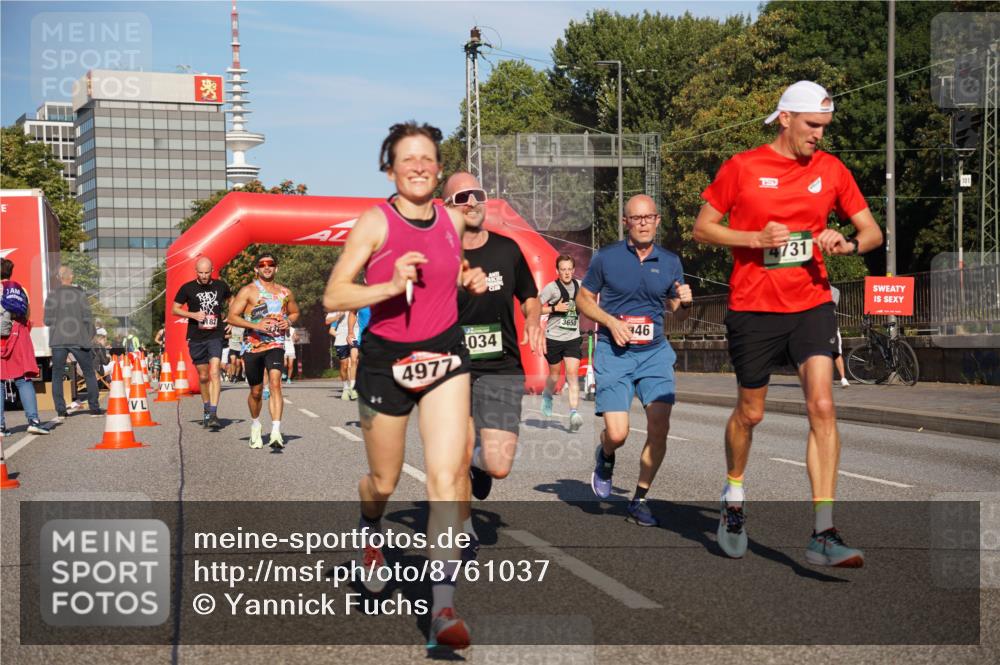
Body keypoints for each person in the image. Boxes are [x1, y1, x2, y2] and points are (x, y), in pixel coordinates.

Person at [693, 80, 883, 566]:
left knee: (822, 404)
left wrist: (847, 243)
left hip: (811, 302)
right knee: (751, 413)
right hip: (754, 306)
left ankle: (823, 531)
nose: (819, 135)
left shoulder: (831, 170)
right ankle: (733, 496)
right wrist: (756, 238)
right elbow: (703, 227)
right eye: (812, 125)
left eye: (824, 127)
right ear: (785, 119)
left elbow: (872, 232)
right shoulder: (743, 167)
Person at [322, 122, 486, 651]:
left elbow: (451, 264)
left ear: (439, 168)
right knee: (385, 482)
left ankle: (442, 607)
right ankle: (370, 527)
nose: (418, 166)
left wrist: (467, 278)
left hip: (444, 354)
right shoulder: (375, 222)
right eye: (407, 158)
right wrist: (390, 285)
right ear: (389, 167)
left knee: (445, 475)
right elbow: (333, 295)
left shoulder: (451, 220)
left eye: (427, 158)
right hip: (385, 361)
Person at [576, 194, 693, 527]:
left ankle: (640, 499)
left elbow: (676, 317)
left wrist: (684, 304)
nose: (643, 223)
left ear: (657, 221)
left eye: (649, 217)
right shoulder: (607, 258)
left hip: (654, 353)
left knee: (659, 428)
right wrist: (611, 322)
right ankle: (606, 455)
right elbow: (583, 299)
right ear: (625, 222)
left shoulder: (670, 261)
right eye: (636, 218)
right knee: (618, 433)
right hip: (614, 352)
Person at [445, 171, 544, 504]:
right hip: (452, 368)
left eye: (477, 194)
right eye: (462, 197)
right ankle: (461, 537)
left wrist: (532, 318)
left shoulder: (508, 250)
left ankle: (478, 465)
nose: (472, 202)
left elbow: (530, 295)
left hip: (501, 368)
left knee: (499, 466)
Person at [227, 252, 300, 449]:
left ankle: (276, 431)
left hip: (276, 344)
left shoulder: (285, 292)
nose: (266, 267)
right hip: (252, 346)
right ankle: (256, 425)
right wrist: (256, 325)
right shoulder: (249, 291)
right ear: (256, 269)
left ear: (276, 268)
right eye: (262, 264)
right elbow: (232, 317)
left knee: (275, 383)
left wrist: (288, 321)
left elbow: (294, 312)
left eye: (271, 264)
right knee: (256, 391)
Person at [172, 257, 231, 430]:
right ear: (196, 271)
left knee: (214, 372)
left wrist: (231, 318)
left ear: (212, 270)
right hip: (196, 336)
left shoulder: (221, 286)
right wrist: (193, 315)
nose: (204, 276)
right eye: (201, 273)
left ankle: (213, 412)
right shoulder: (187, 288)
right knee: (204, 376)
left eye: (207, 272)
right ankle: (206, 407)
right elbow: (174, 309)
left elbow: (232, 299)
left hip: (215, 334)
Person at [0, 258, 51, 436]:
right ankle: (34, 421)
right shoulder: (19, 289)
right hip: (18, 335)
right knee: (23, 379)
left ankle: (0, 427)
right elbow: (27, 313)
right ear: (9, 272)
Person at [44, 265, 101, 419]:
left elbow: (47, 321)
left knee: (57, 375)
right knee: (89, 372)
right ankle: (94, 408)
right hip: (79, 338)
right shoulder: (79, 294)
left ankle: (61, 410)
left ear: (59, 278)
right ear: (71, 277)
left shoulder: (52, 295)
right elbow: (88, 317)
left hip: (58, 340)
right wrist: (90, 336)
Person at [539, 254, 584, 432]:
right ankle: (547, 395)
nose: (566, 273)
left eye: (569, 269)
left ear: (573, 270)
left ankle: (574, 414)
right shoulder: (551, 288)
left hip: (572, 338)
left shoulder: (580, 286)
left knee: (572, 376)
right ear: (557, 271)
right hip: (554, 338)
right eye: (563, 270)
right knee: (555, 375)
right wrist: (553, 308)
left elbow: (590, 299)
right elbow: (535, 307)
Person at [346, 306, 371, 400]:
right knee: (354, 359)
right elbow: (352, 312)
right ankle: (353, 387)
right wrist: (350, 331)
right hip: (359, 334)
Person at [330, 309, 354, 399]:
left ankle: (352, 387)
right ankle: (345, 387)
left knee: (352, 363)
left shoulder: (357, 311)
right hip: (341, 341)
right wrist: (340, 336)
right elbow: (331, 330)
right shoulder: (340, 313)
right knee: (345, 365)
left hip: (353, 340)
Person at [830, 285, 849, 388]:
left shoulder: (834, 291)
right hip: (816, 326)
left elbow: (832, 305)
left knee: (837, 352)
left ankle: (843, 378)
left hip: (830, 326)